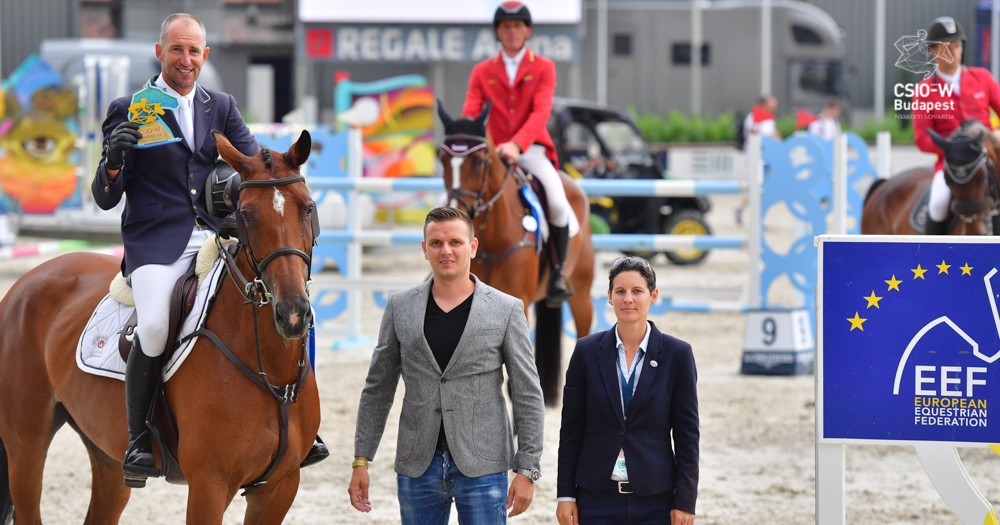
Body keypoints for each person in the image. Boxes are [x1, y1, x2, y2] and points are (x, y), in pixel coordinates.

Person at [91, 13, 326, 487]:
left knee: (290, 302)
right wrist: (113, 162)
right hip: (156, 240)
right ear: (160, 53)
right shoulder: (131, 107)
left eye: (194, 51)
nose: (185, 60)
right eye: (177, 50)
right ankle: (139, 439)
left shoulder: (219, 105)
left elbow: (255, 163)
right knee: (155, 325)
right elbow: (105, 197)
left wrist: (285, 166)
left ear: (205, 55)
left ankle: (304, 423)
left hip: (219, 234)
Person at [348, 206, 545, 524]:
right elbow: (378, 388)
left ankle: (559, 265)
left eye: (455, 242)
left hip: (484, 464)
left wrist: (527, 468)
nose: (446, 250)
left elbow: (527, 392)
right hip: (417, 465)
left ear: (473, 247)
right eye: (437, 243)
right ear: (425, 249)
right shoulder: (400, 307)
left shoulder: (507, 309)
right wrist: (361, 460)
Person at [557, 256, 699, 525]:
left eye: (637, 291)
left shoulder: (677, 354)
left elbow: (687, 435)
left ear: (653, 296)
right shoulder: (586, 352)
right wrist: (565, 495)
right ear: (609, 297)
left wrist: (685, 501)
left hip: (656, 501)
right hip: (596, 499)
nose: (628, 299)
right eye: (620, 292)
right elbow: (571, 428)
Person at [461, 1, 573, 307]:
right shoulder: (482, 71)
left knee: (559, 204)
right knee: (454, 201)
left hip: (531, 150)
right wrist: (475, 141)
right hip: (491, 153)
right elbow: (472, 113)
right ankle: (444, 270)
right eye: (506, 26)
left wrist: (516, 144)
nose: (512, 32)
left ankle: (558, 274)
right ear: (498, 31)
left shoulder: (544, 67)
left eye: (518, 26)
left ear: (528, 31)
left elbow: (540, 113)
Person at [912, 16, 1000, 235]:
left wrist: (995, 137)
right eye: (946, 48)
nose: (953, 52)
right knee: (938, 204)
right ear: (934, 52)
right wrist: (955, 148)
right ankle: (934, 254)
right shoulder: (924, 91)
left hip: (988, 161)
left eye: (957, 46)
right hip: (952, 165)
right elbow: (922, 139)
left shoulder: (983, 77)